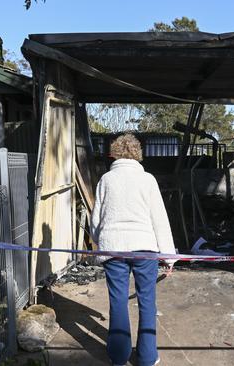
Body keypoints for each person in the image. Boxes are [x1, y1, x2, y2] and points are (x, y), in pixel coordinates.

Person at [90, 133, 176, 366]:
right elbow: (159, 218)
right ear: (138, 153)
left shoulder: (106, 180)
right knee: (147, 301)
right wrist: (169, 256)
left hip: (113, 249)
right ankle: (147, 357)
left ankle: (118, 357)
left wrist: (100, 240)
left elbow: (96, 219)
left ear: (114, 154)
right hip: (144, 249)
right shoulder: (148, 179)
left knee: (117, 301)